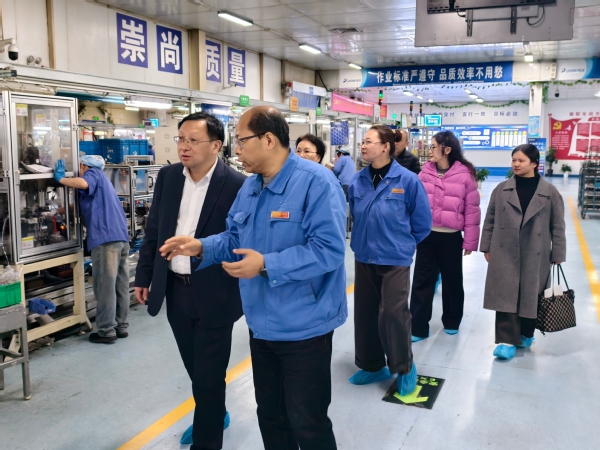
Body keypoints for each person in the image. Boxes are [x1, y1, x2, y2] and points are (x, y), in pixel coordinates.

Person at [160, 106, 347, 450]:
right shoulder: (250, 187)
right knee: (271, 417)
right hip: (261, 325)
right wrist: (202, 246)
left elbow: (329, 250)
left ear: (269, 140)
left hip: (305, 327)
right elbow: (234, 237)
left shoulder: (316, 183)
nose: (237, 150)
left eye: (242, 141)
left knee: (308, 422)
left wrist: (266, 265)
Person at [133, 112, 246, 450]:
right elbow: (155, 229)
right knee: (195, 368)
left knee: (209, 376)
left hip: (215, 292)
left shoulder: (237, 184)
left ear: (216, 146)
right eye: (181, 139)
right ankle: (215, 412)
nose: (184, 146)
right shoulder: (169, 177)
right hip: (175, 290)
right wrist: (145, 275)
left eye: (193, 141)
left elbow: (239, 238)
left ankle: (207, 437)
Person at [348, 125, 432, 396]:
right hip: (364, 255)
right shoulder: (358, 181)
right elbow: (355, 215)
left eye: (369, 142)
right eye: (362, 142)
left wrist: (402, 243)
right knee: (366, 313)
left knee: (394, 313)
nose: (363, 146)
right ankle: (372, 365)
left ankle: (404, 367)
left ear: (385, 147)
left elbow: (423, 223)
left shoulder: (408, 180)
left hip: (395, 257)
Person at [480, 144, 566, 361]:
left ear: (534, 163)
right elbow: (490, 219)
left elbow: (558, 226)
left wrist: (558, 253)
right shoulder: (501, 190)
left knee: (531, 294)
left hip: (535, 252)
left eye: (521, 160)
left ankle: (527, 333)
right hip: (505, 251)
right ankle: (506, 341)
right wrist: (486, 246)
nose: (516, 164)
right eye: (514, 160)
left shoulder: (550, 193)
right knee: (505, 294)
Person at [410, 131, 481, 341]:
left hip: (451, 238)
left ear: (447, 149)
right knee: (422, 280)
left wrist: (470, 241)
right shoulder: (425, 173)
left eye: (433, 146)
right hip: (427, 236)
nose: (429, 150)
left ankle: (451, 320)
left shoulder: (465, 175)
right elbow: (415, 204)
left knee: (452, 281)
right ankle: (418, 326)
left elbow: (472, 210)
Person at [54, 155, 130, 344]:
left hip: (105, 241)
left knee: (105, 286)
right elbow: (80, 204)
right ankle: (120, 327)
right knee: (120, 285)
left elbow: (83, 183)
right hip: (120, 237)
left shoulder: (93, 174)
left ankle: (106, 331)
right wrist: (57, 211)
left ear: (82, 165)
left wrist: (61, 179)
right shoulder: (104, 181)